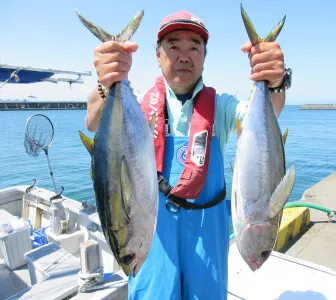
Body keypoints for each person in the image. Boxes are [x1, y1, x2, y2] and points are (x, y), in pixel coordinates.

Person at [86, 10, 291, 300]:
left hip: (206, 242)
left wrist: (275, 81)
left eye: (194, 46)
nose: (184, 55)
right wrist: (106, 81)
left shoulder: (221, 107)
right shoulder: (138, 107)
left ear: (204, 56)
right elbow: (94, 121)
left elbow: (266, 119)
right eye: (173, 46)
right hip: (151, 237)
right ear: (158, 55)